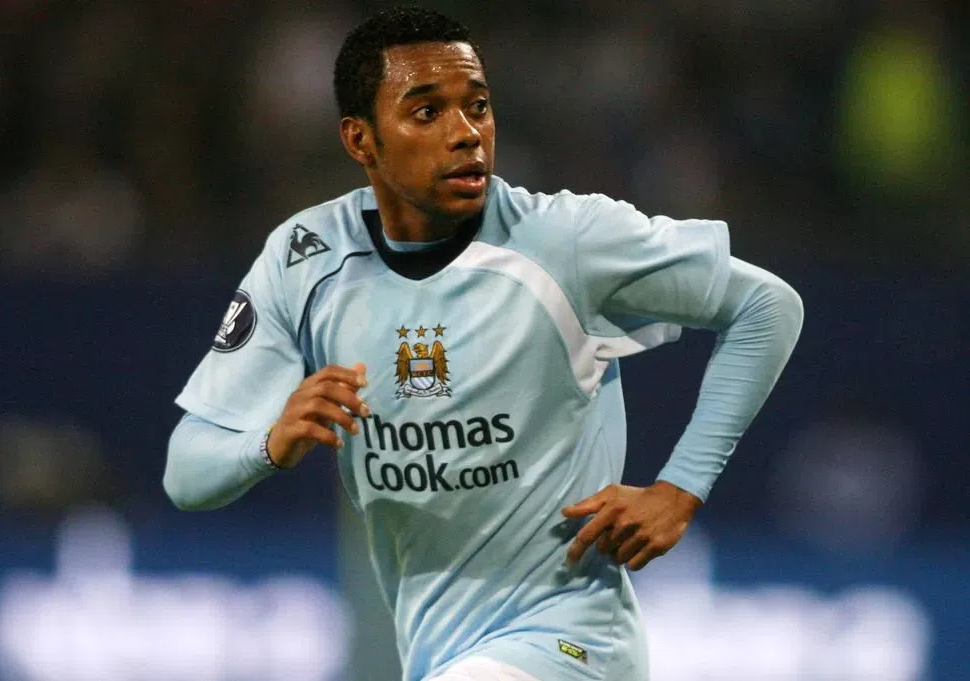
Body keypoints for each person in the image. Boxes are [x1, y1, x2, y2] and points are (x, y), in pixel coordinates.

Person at [163, 6, 803, 681]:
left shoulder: (565, 240)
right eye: (426, 112)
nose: (466, 133)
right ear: (360, 140)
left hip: (571, 644)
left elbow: (766, 305)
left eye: (477, 106)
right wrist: (270, 442)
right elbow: (187, 471)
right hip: (439, 653)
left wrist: (680, 489)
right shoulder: (307, 260)